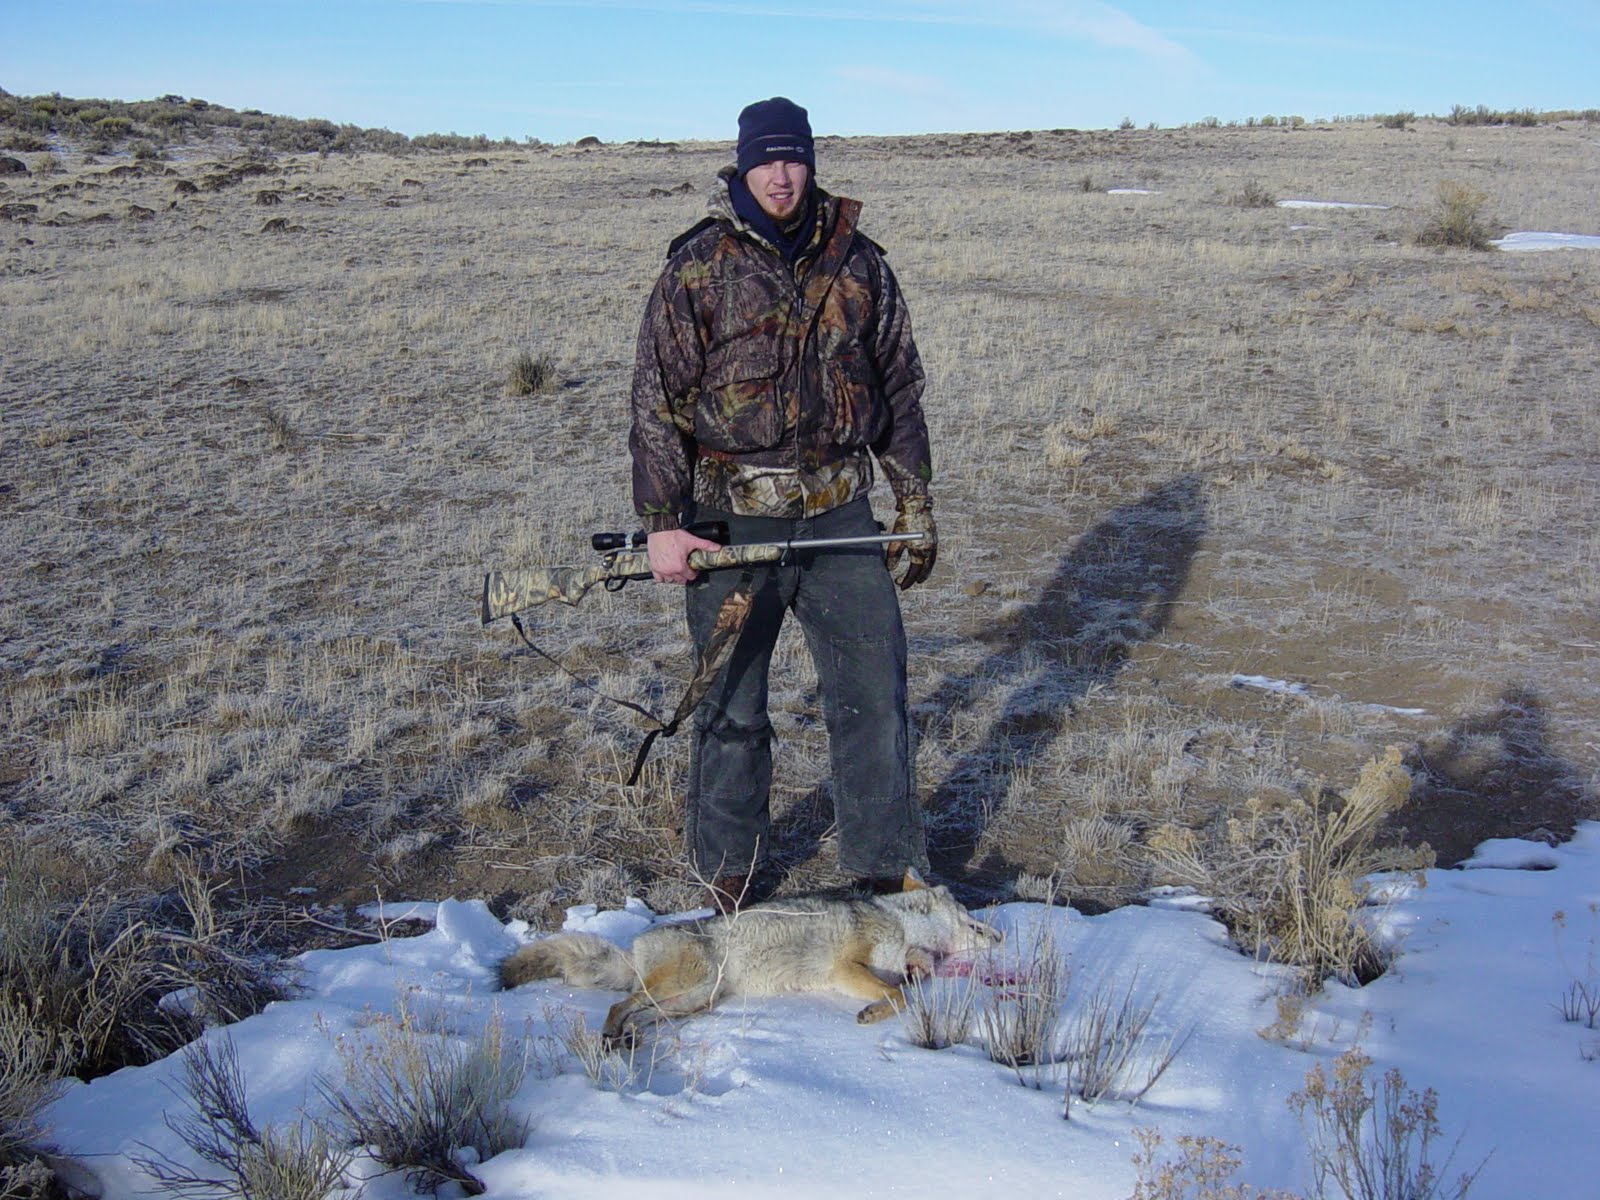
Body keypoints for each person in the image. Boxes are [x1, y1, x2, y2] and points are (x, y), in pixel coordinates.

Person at [629, 96, 937, 911]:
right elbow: (657, 399)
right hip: (730, 523)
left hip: (841, 521)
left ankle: (885, 870)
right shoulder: (698, 266)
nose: (780, 174)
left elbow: (899, 385)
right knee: (731, 705)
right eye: (765, 159)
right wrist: (663, 526)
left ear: (810, 162)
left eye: (793, 157)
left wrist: (913, 501)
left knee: (874, 697)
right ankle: (726, 876)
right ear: (743, 165)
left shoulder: (860, 263)